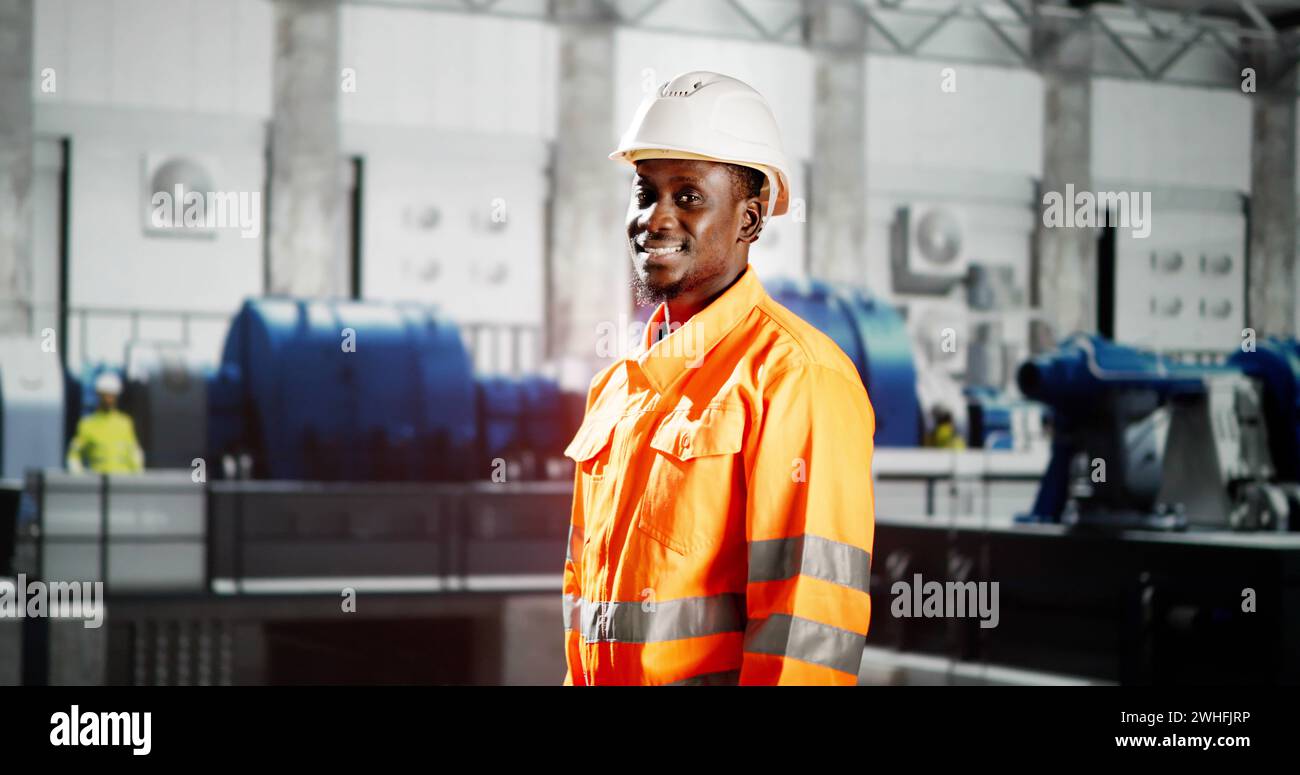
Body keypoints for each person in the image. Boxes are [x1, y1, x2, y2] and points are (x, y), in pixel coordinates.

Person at [561, 71, 876, 685]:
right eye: (644, 190)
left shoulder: (797, 379)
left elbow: (807, 635)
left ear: (750, 221)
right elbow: (583, 593)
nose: (654, 218)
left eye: (689, 196)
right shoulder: (618, 389)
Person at [66, 371, 145, 474]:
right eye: (105, 395)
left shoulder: (125, 423)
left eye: (112, 395)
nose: (109, 399)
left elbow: (135, 454)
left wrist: (138, 478)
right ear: (99, 395)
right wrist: (80, 479)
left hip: (124, 483)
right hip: (100, 484)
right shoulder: (87, 424)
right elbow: (74, 455)